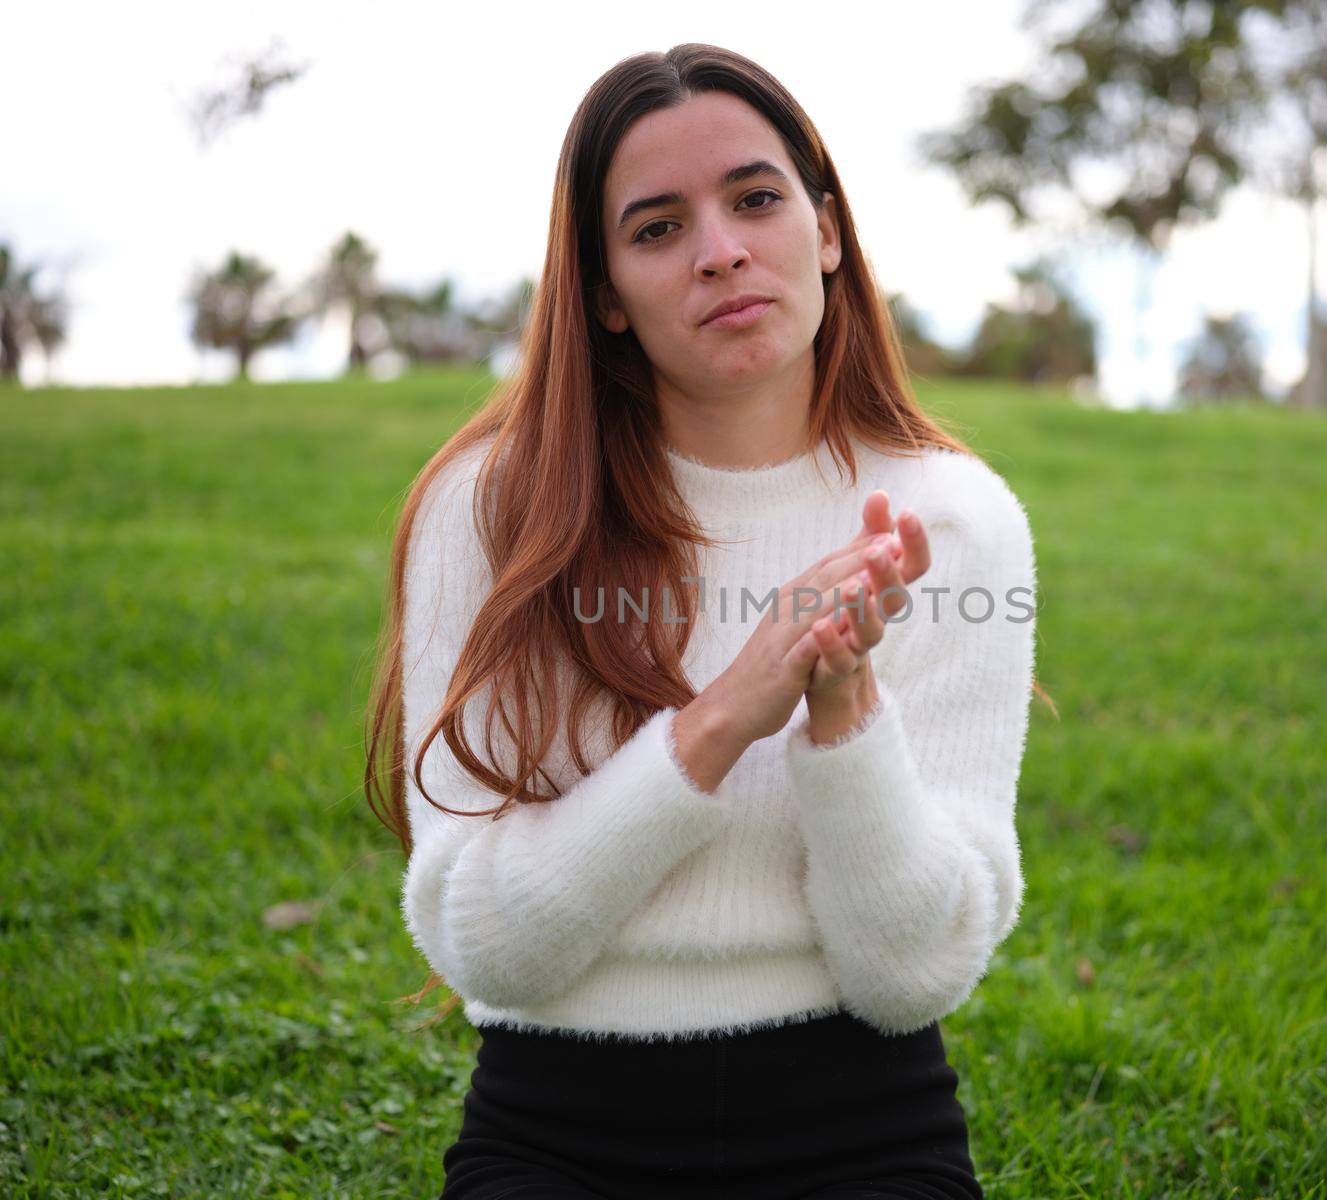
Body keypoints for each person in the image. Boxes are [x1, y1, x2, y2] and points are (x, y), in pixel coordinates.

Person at [362, 41, 1044, 1200]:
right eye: (657, 227)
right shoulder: (497, 513)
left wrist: (843, 712)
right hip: (557, 1119)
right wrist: (723, 716)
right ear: (604, 294)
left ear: (826, 232)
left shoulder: (953, 522)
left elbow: (913, 975)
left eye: (756, 200)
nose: (722, 251)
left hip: (862, 1117)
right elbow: (486, 948)